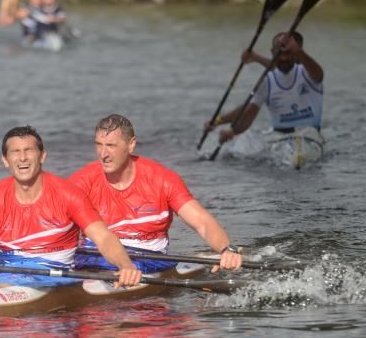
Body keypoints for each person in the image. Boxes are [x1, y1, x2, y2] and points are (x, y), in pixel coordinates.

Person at [0, 125, 143, 287]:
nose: (23, 158)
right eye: (15, 152)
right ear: (5, 160)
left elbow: (103, 238)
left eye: (29, 150)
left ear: (42, 156)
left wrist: (126, 266)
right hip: (6, 276)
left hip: (58, 278)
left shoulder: (69, 195)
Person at [69, 114, 243, 273]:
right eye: (98, 145)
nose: (103, 154)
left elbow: (202, 223)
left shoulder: (162, 180)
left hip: (149, 258)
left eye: (111, 146)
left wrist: (227, 250)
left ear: (131, 145)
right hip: (95, 254)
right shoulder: (81, 182)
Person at [204, 31, 324, 144]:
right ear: (272, 53)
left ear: (295, 52)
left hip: (310, 135)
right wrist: (229, 130)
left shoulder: (308, 73)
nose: (284, 58)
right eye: (279, 53)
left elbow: (319, 75)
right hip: (280, 138)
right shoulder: (266, 82)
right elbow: (247, 113)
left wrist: (298, 51)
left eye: (288, 53)